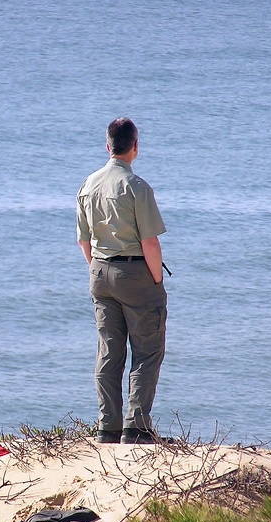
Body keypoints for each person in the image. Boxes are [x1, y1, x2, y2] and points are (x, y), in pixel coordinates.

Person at [77, 117, 168, 445]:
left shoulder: (88, 184)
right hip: (135, 274)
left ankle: (107, 427)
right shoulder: (137, 187)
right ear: (135, 147)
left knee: (109, 350)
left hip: (100, 271)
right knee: (146, 350)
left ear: (107, 146)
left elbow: (83, 242)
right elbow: (151, 244)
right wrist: (156, 282)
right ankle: (136, 427)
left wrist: (98, 268)